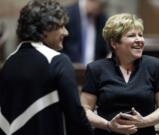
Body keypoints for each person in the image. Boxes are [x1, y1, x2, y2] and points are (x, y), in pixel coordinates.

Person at [0, 1, 94, 135]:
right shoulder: (58, 61)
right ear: (45, 28)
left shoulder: (9, 62)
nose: (66, 32)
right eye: (61, 26)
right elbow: (76, 117)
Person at [80, 13, 159, 135]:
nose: (139, 40)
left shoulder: (154, 66)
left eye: (141, 35)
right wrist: (108, 125)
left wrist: (143, 122)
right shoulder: (96, 69)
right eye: (132, 35)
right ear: (114, 43)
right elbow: (84, 109)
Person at [63, 0, 109, 65]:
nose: (100, 11)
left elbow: (104, 49)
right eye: (100, 6)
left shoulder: (102, 18)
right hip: (70, 68)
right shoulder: (68, 14)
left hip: (94, 71)